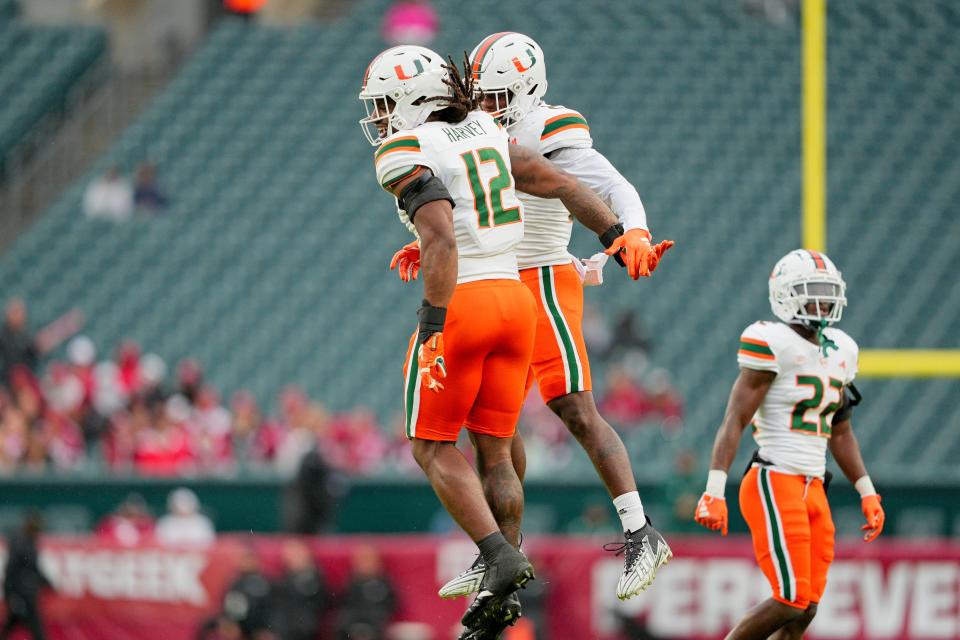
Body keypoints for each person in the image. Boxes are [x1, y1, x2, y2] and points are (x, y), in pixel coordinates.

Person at [361, 46, 632, 631]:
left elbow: (439, 232)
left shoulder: (404, 149)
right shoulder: (485, 126)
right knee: (495, 444)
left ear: (412, 99)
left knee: (431, 446)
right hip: (516, 301)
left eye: (385, 105)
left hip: (466, 301)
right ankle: (500, 577)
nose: (380, 119)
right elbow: (557, 182)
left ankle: (498, 554)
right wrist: (615, 233)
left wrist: (432, 321)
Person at [437, 32, 674, 611]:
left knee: (572, 404)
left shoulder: (548, 126)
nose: (485, 107)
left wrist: (633, 229)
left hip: (542, 276)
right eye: (480, 95)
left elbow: (608, 183)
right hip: (491, 280)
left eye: (496, 97)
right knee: (493, 430)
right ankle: (505, 554)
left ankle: (642, 533)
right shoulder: (471, 125)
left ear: (526, 89)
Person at [693, 249, 885, 639]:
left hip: (814, 485)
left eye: (828, 292)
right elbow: (735, 419)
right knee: (791, 596)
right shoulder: (770, 340)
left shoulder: (842, 349)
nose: (823, 301)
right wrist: (714, 489)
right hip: (774, 479)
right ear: (784, 295)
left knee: (806, 608)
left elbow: (842, 430)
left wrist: (867, 491)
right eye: (812, 291)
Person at [0, 512, 52, 640]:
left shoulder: (25, 542)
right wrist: (10, 593)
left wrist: (47, 582)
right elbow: (15, 569)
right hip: (23, 593)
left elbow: (31, 569)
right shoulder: (23, 544)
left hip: (23, 592)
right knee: (35, 626)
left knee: (13, 622)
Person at [335, 545, 396, 640]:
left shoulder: (384, 583)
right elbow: (343, 602)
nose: (366, 565)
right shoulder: (351, 583)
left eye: (368, 561)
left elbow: (392, 603)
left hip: (375, 621)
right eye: (362, 561)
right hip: (352, 620)